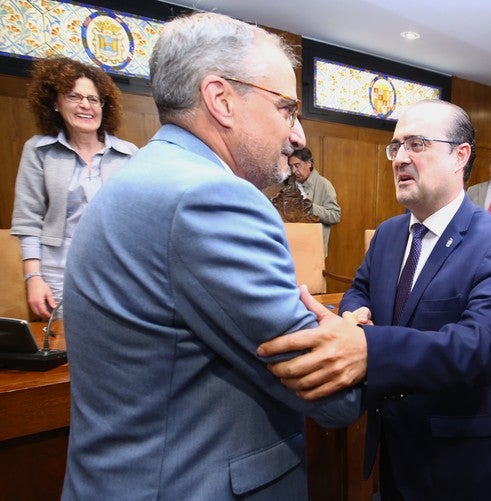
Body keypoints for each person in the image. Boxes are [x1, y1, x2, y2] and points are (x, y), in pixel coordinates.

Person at [60, 12, 362, 501]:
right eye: (287, 108)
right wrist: (356, 340)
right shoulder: (213, 198)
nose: (298, 135)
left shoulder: (141, 176)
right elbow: (333, 393)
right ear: (221, 99)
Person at [259, 99, 491, 500]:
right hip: (391, 446)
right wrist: (355, 313)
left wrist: (367, 347)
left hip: (460, 460)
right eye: (395, 146)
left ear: (460, 155)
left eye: (417, 144)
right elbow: (360, 288)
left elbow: (482, 346)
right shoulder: (389, 234)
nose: (400, 158)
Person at [10, 56, 137, 320]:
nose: (85, 106)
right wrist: (34, 277)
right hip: (59, 272)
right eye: (73, 96)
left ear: (104, 106)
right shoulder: (38, 151)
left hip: (117, 271)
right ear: (55, 103)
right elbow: (28, 220)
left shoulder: (129, 155)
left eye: (93, 99)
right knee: (70, 347)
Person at [288, 147, 341, 255]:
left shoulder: (324, 185)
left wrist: (309, 207)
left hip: (314, 251)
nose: (293, 171)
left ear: (309, 163)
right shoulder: (290, 184)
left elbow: (335, 215)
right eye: (291, 166)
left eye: (297, 165)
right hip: (293, 248)